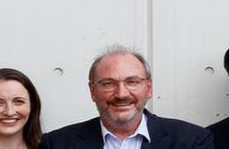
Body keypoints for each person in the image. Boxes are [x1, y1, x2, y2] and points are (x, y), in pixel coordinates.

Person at [46, 46, 213, 149]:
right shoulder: (56, 144)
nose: (121, 94)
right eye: (108, 83)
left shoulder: (192, 141)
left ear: (149, 88)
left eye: (132, 82)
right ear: (92, 91)